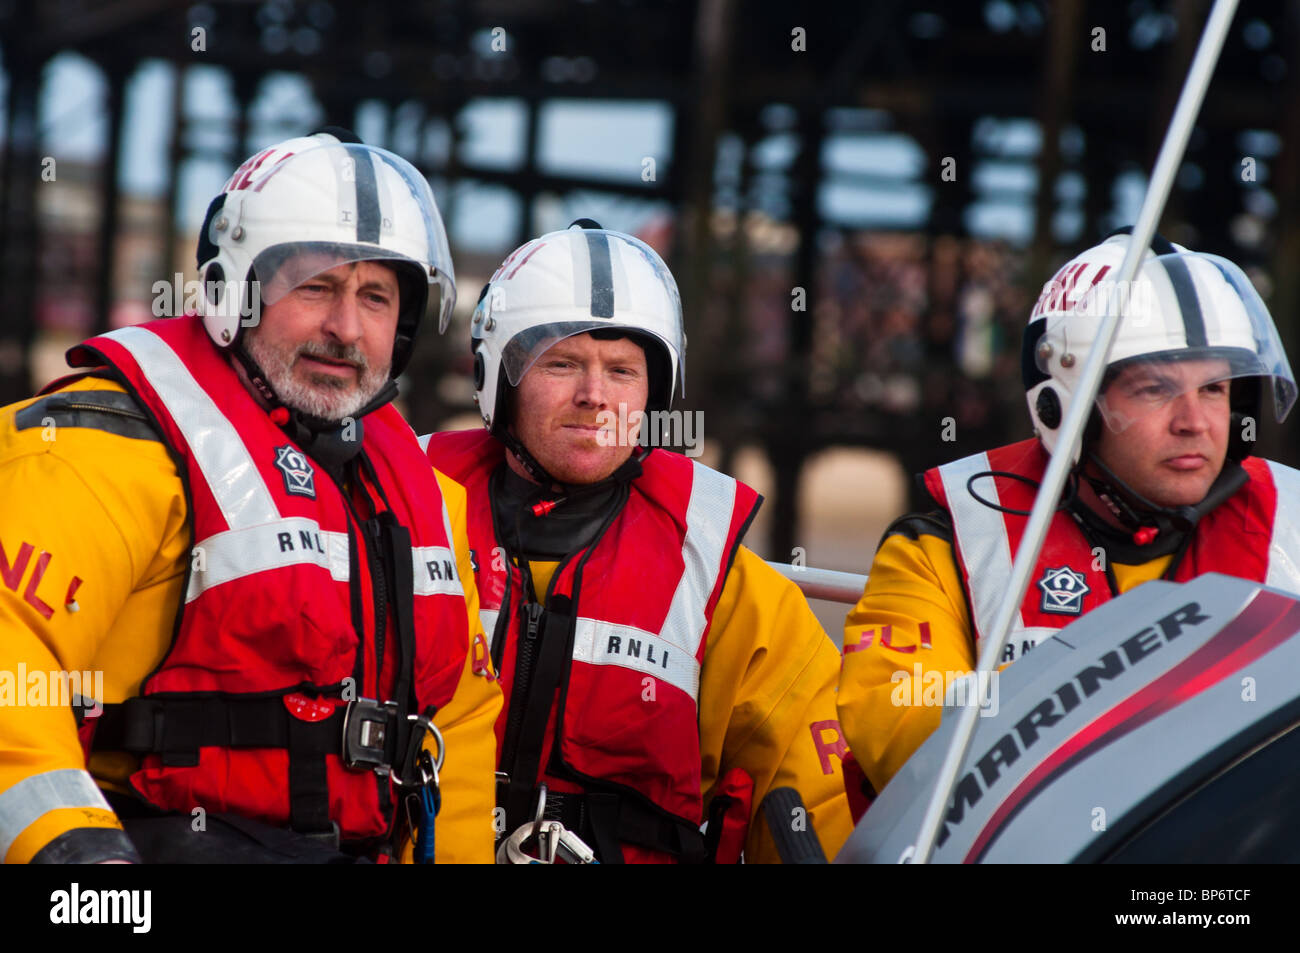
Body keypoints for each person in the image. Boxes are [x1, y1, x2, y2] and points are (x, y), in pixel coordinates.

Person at [0, 130, 502, 864]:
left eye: (375, 296)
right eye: (316, 286)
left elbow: (455, 727)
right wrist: (73, 854)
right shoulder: (109, 442)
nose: (346, 328)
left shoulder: (424, 494)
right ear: (235, 289)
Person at [423, 221, 853, 863]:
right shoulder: (410, 509)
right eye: (562, 363)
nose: (594, 397)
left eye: (622, 370)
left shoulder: (714, 573)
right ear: (498, 380)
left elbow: (818, 790)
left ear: (656, 394)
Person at [837, 231, 1300, 796]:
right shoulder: (951, 541)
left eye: (1215, 389)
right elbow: (901, 731)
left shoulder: (1291, 522)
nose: (1195, 422)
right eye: (1156, 389)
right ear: (1064, 406)